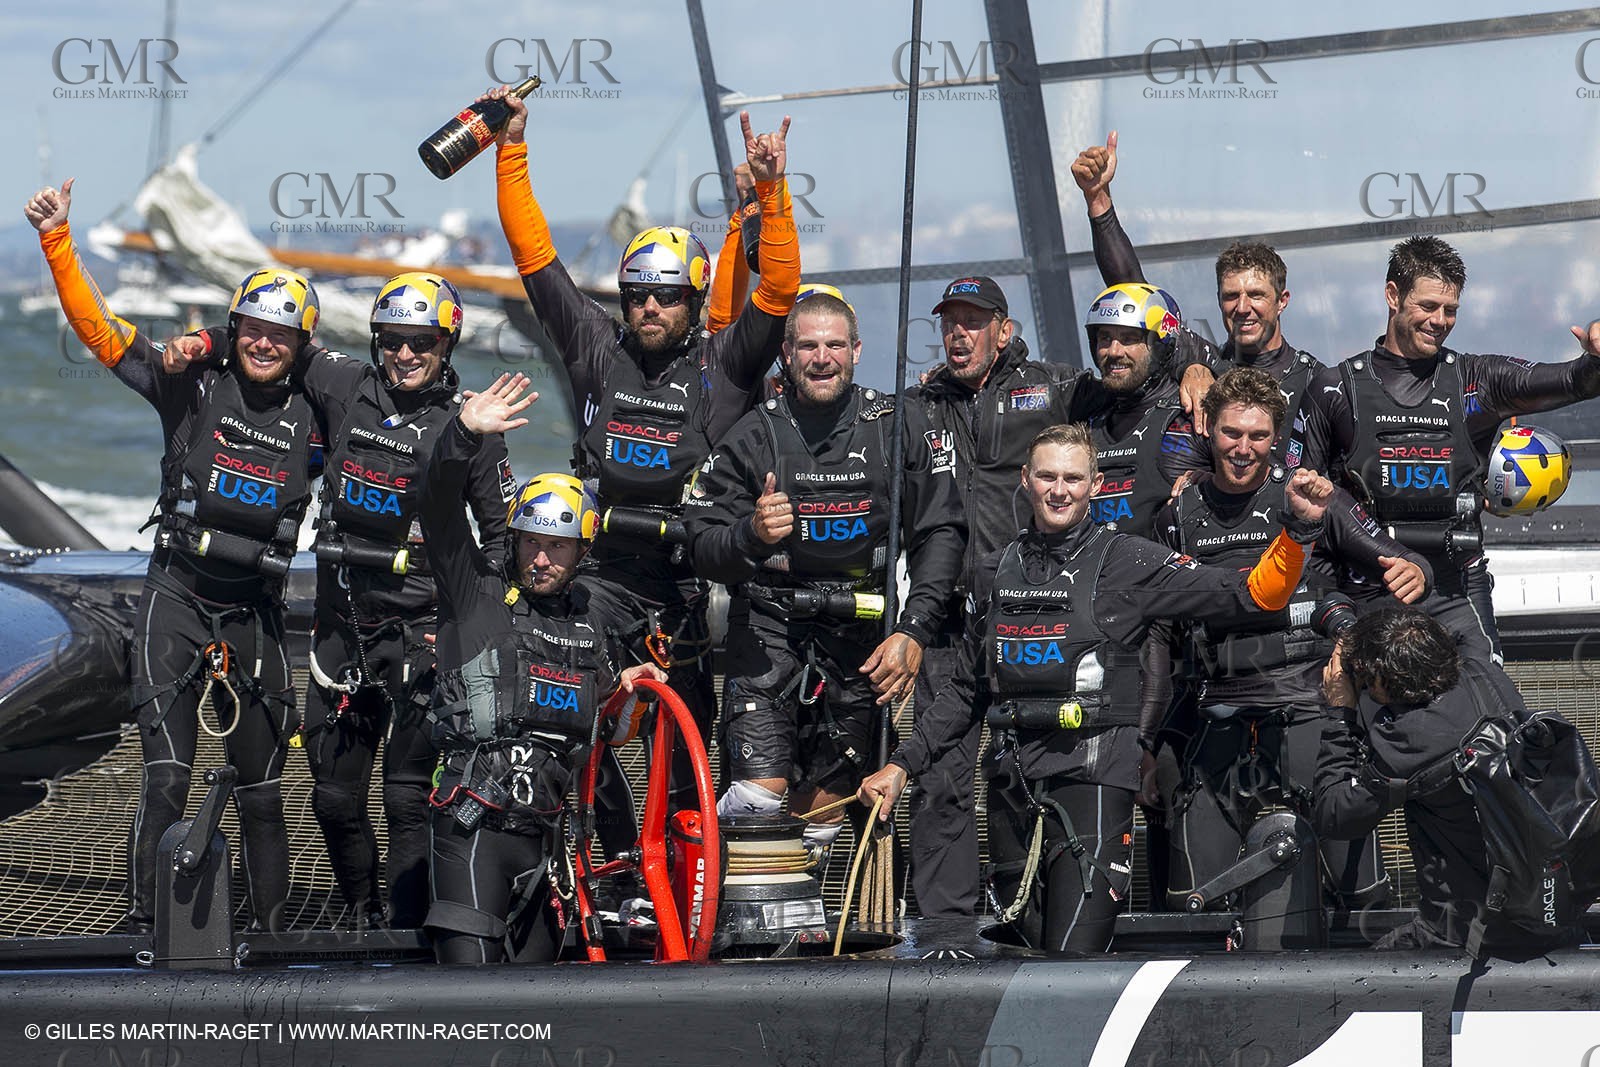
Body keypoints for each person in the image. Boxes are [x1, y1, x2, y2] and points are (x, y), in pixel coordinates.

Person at [859, 423, 1334, 952]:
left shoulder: (1126, 561)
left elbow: (1251, 597)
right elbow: (966, 690)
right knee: (1013, 964)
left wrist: (1297, 530)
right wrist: (901, 765)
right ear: (1025, 480)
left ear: (1095, 485)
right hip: (1013, 792)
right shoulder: (995, 569)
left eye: (1072, 478)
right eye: (1046, 476)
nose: (1058, 490)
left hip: (1093, 787)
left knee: (1071, 966)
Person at [165, 272, 518, 930]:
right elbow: (271, 339)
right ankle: (362, 910)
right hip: (340, 630)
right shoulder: (343, 381)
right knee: (331, 797)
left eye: (422, 343)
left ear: (448, 343)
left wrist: (475, 632)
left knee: (407, 800)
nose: (406, 355)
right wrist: (200, 340)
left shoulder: (471, 426)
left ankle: (408, 937)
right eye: (393, 340)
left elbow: (499, 546)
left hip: (422, 635)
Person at [488, 84, 800, 806]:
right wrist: (512, 151)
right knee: (568, 714)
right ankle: (588, 859)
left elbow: (780, 286)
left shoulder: (724, 362)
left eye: (666, 296)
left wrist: (772, 195)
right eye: (635, 295)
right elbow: (534, 256)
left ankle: (682, 888)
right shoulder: (597, 347)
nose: (649, 308)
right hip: (602, 575)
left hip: (693, 580)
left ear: (695, 301)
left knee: (686, 753)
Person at [26, 178, 321, 932]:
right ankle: (138, 929)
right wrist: (59, 239)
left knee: (260, 790)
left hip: (255, 610)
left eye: (279, 334)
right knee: (167, 779)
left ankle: (275, 936)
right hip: (177, 601)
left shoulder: (321, 416)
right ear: (233, 327)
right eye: (249, 327)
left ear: (300, 347)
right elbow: (101, 333)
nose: (261, 341)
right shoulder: (190, 383)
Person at [903, 275, 1213, 920]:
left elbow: (1133, 361)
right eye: (950, 323)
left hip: (1052, 608)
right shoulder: (919, 404)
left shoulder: (1053, 387)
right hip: (955, 617)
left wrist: (1197, 364)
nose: (960, 334)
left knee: (1075, 763)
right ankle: (949, 929)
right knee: (944, 783)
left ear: (1004, 330)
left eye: (975, 321)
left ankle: (1099, 918)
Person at [683, 293, 964, 855]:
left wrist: (914, 632)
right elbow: (700, 543)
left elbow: (942, 532)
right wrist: (751, 535)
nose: (822, 357)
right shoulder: (750, 434)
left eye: (835, 344)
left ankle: (799, 928)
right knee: (761, 798)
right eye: (807, 345)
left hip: (861, 636)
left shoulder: (898, 425)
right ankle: (707, 892)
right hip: (769, 629)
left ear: (857, 351)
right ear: (785, 355)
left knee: (825, 811)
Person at [1152, 368, 1431, 914]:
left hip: (1309, 705)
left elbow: (1401, 558)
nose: (1243, 449)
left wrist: (1415, 571)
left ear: (1276, 439)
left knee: (1362, 896)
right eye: (1232, 433)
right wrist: (1150, 741)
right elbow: (1157, 633)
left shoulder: (1308, 495)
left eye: (1258, 437)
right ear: (1209, 431)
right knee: (1193, 903)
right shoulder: (1176, 516)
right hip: (1218, 712)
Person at [419, 373, 664, 964]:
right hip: (472, 827)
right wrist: (461, 436)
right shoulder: (473, 593)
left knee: (538, 1009)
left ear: (582, 552)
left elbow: (602, 745)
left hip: (549, 842)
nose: (542, 557)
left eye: (557, 546)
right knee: (472, 1001)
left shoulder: (593, 621)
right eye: (531, 542)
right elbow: (437, 509)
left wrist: (623, 692)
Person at [1299, 236, 1600, 663]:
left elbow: (1572, 382)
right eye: (1427, 306)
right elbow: (1305, 505)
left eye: (1451, 310)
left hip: (1458, 584)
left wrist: (1595, 360)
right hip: (1368, 584)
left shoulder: (1478, 380)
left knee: (1492, 713)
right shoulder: (1334, 388)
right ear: (1392, 296)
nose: (1440, 320)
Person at [1313, 608, 1551, 950]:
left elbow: (1333, 814)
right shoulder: (1484, 675)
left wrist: (1340, 715)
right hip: (1547, 905)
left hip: (1465, 932)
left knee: (1356, 986)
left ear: (1380, 681)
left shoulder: (1407, 746)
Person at [1072, 130, 1320, 452]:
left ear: (1282, 301)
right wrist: (1098, 200)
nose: (1242, 307)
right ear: (1218, 301)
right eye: (1231, 296)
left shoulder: (1317, 380)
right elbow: (1135, 292)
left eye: (1256, 295)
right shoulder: (1201, 356)